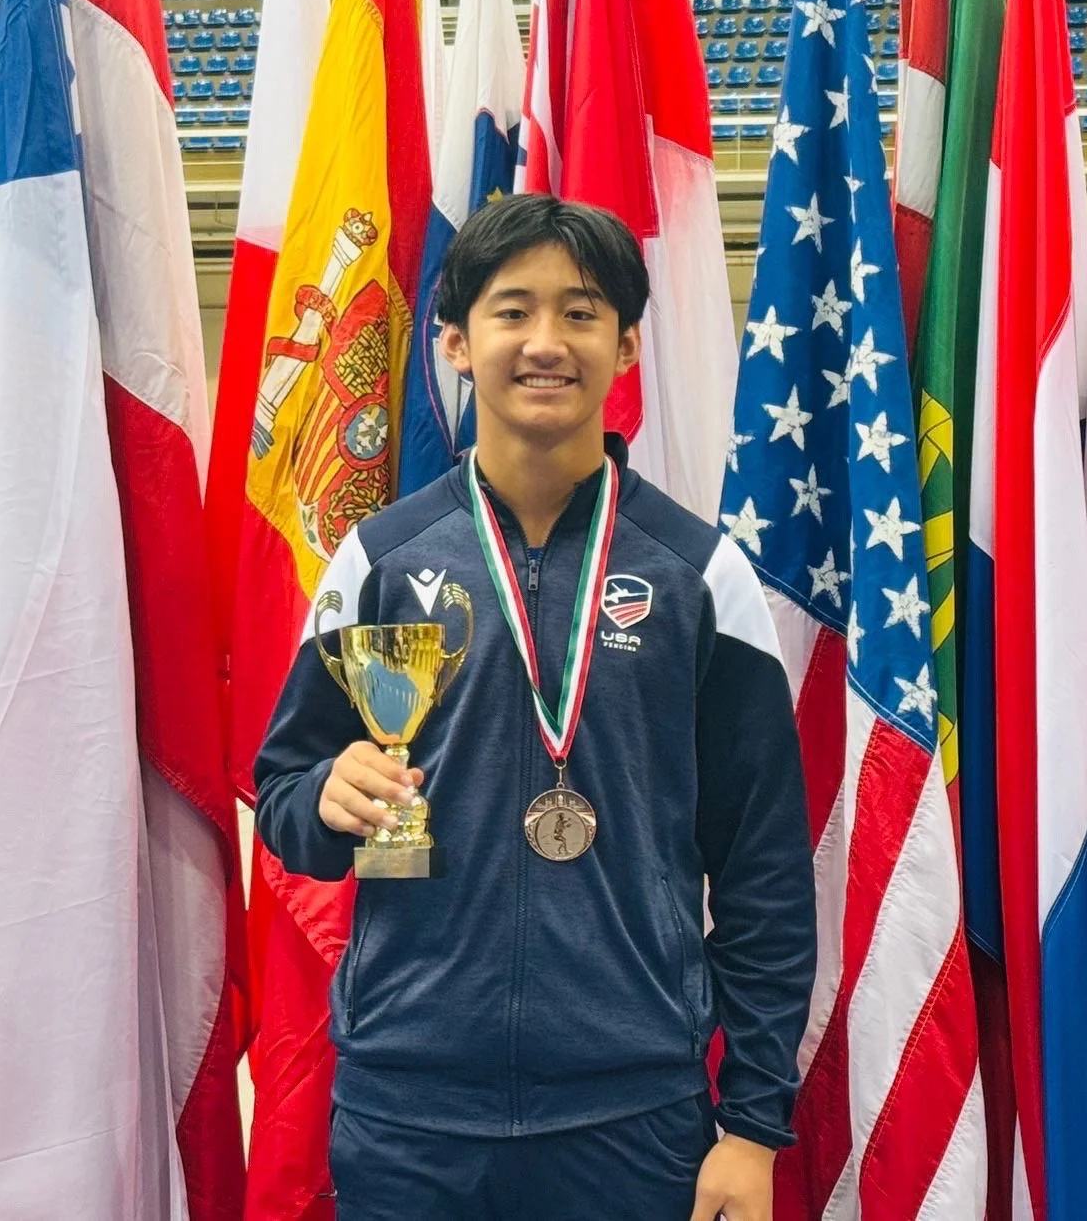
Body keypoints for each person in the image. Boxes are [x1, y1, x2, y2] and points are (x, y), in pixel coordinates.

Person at [256, 194, 816, 1221]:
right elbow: (284, 794)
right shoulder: (379, 560)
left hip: (634, 1118)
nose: (546, 341)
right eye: (513, 311)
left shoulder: (700, 576)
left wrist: (751, 1127)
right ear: (457, 341)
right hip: (409, 1113)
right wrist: (327, 795)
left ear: (627, 344)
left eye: (581, 311)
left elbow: (764, 871)